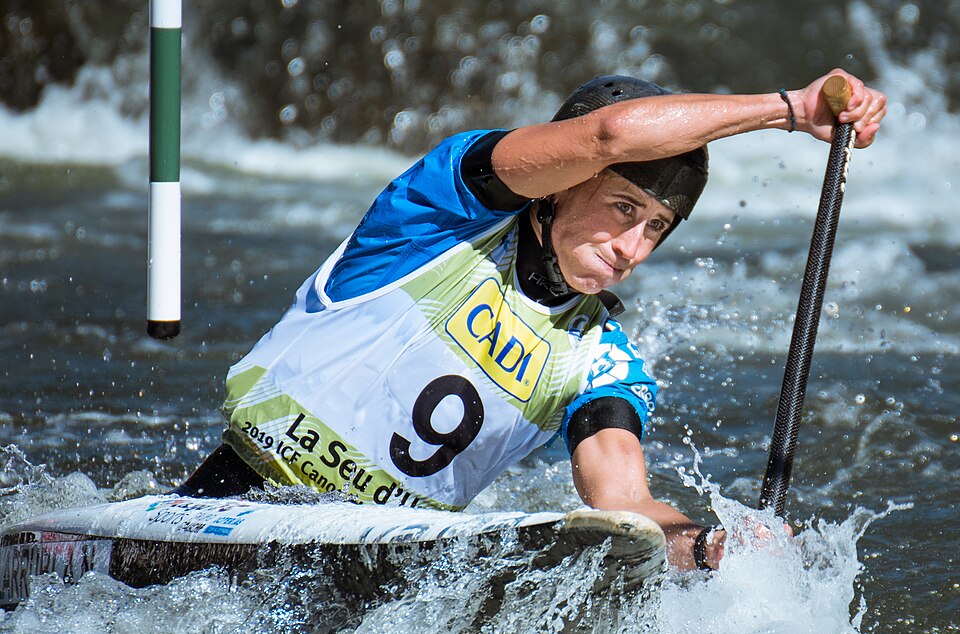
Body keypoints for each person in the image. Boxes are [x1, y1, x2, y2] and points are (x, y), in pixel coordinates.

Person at [176, 69, 886, 571]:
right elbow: (609, 136)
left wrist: (707, 546)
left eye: (656, 228)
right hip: (231, 499)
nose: (632, 249)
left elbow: (627, 500)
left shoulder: (599, 360)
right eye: (623, 210)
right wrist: (788, 109)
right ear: (560, 184)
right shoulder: (438, 214)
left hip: (373, 566)